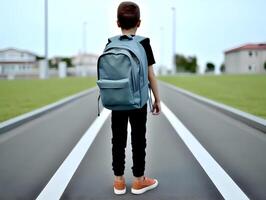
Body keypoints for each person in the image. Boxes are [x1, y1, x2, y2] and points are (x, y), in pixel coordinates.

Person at [111, 1, 161, 195]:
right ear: (139, 23)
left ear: (117, 23)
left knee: (118, 139)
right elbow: (151, 75)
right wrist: (157, 100)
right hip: (138, 100)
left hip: (117, 100)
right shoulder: (143, 43)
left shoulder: (110, 43)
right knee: (138, 138)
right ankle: (139, 180)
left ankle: (118, 182)